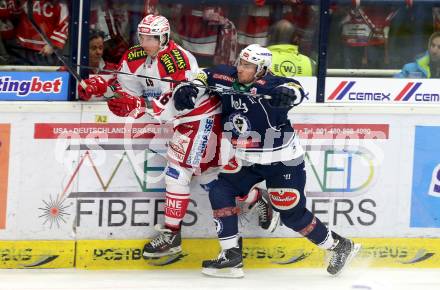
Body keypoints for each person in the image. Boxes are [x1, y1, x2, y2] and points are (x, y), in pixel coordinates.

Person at [77, 14, 276, 259]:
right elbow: (124, 90)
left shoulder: (177, 60)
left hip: (200, 117)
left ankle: (172, 234)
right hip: (184, 122)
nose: (146, 42)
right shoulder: (134, 55)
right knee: (208, 177)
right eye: (143, 36)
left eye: (152, 38)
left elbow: (177, 102)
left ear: (164, 37)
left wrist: (137, 104)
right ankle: (256, 197)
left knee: (178, 172)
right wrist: (102, 87)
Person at [173, 44, 361, 278]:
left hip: (282, 161)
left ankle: (340, 246)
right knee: (220, 190)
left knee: (292, 215)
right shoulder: (227, 76)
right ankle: (231, 255)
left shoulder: (273, 86)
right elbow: (204, 75)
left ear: (261, 70)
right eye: (240, 62)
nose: (241, 68)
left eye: (248, 66)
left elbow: (294, 88)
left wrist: (289, 95)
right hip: (247, 160)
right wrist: (189, 88)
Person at [8, 0, 69, 65]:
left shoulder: (61, 4)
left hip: (45, 50)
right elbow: (13, 13)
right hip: (21, 47)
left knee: (45, 73)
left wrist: (53, 44)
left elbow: (65, 23)